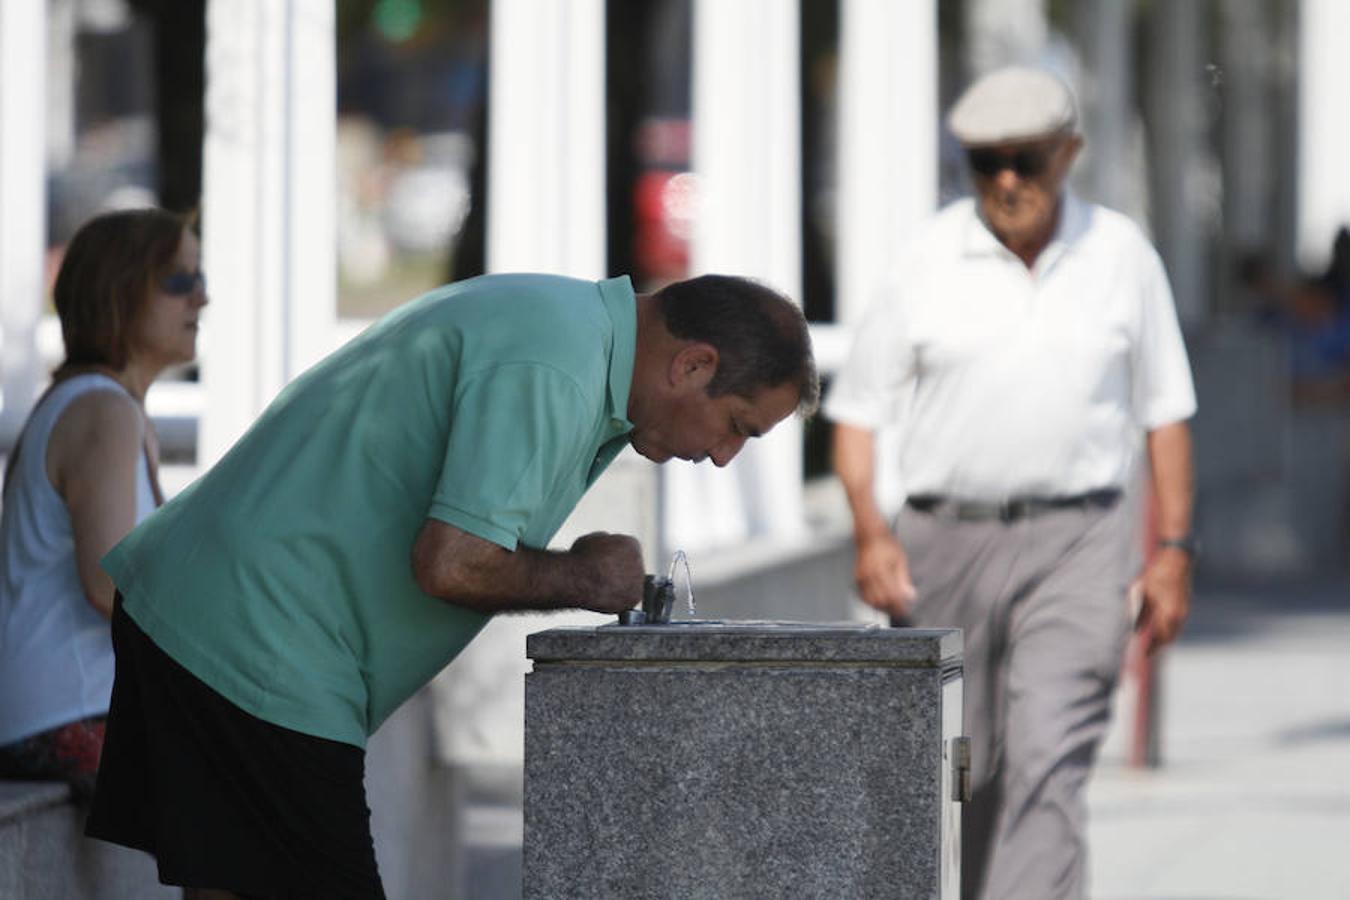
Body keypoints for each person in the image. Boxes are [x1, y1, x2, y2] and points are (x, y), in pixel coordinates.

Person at [86, 271, 818, 898]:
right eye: (737, 426)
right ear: (692, 365)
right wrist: (585, 575)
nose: (724, 456)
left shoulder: (568, 330)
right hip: (256, 638)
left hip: (209, 609)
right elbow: (453, 563)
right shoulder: (557, 366)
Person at [826, 67, 1196, 900]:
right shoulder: (925, 257)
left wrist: (1174, 551)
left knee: (1048, 756)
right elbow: (856, 413)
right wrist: (870, 534)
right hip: (944, 541)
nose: (1005, 181)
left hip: (1080, 541)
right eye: (984, 161)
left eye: (1025, 159)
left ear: (1068, 154)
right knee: (967, 768)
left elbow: (1166, 412)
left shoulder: (1122, 256)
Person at [0, 208, 207, 801]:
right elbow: (107, 584)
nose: (201, 298)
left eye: (200, 279)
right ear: (119, 292)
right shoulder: (103, 411)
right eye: (179, 280)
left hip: (61, 711)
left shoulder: (107, 405)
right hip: (62, 715)